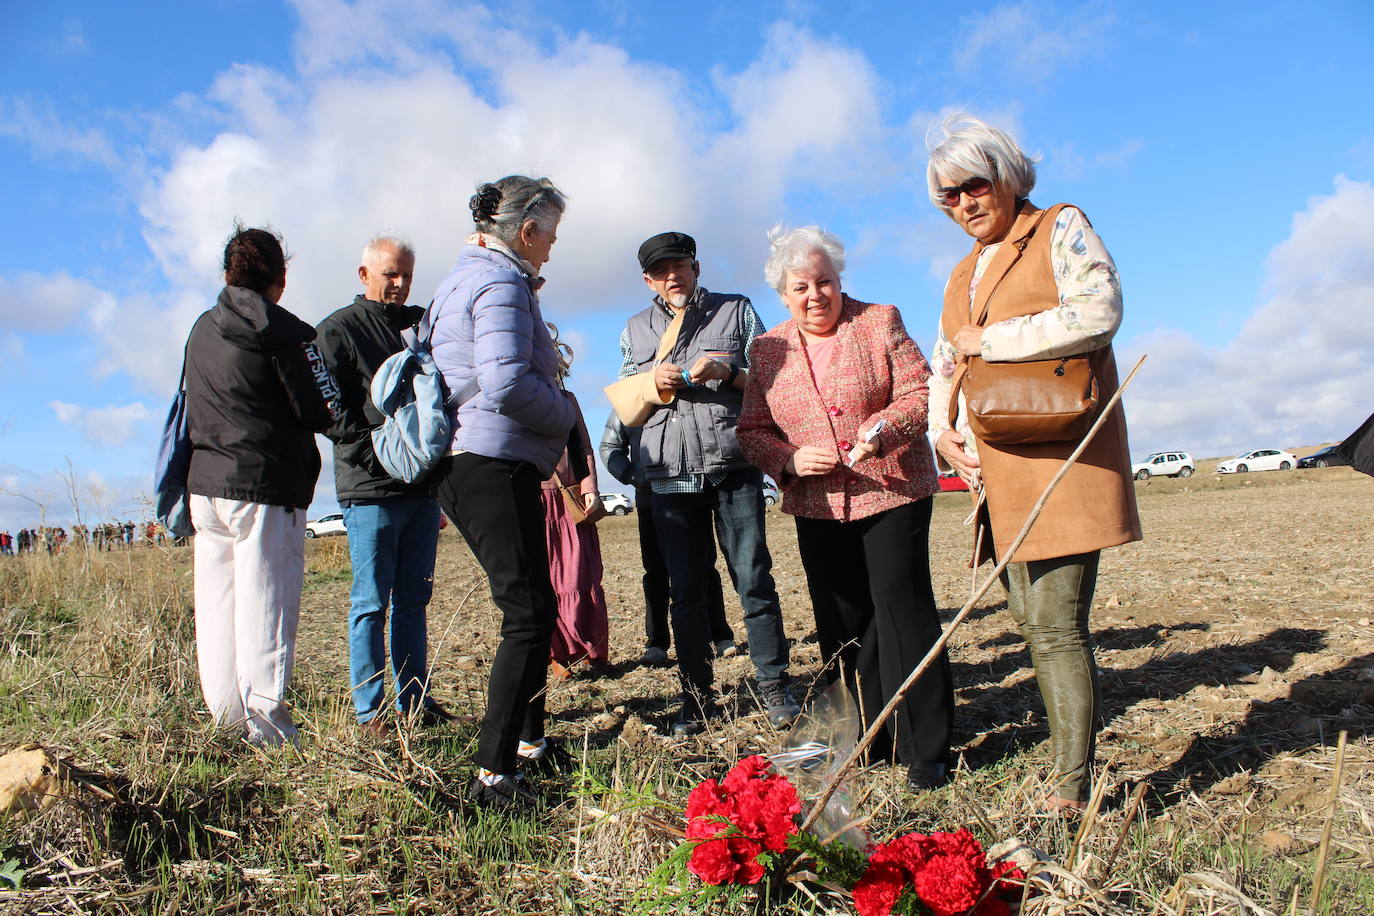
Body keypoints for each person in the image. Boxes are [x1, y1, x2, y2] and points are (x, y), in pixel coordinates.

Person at [925, 115, 1142, 812]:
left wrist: (993, 338)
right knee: (1030, 619)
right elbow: (944, 361)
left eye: (973, 185)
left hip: (1062, 458)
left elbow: (1098, 310)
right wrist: (940, 430)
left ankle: (1072, 789)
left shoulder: (1059, 226)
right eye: (947, 197)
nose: (963, 204)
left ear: (1007, 176)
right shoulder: (962, 271)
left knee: (1053, 624)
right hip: (997, 467)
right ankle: (1076, 765)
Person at [738, 225, 954, 790]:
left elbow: (919, 390)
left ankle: (925, 745)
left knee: (902, 610)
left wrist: (880, 432)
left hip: (892, 489)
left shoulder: (880, 320)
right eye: (801, 287)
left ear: (840, 281)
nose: (815, 296)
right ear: (782, 296)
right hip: (818, 504)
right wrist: (785, 459)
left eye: (825, 282)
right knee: (842, 623)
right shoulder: (767, 351)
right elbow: (751, 431)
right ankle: (864, 739)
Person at [428, 175, 577, 809]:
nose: (551, 248)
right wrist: (565, 412)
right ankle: (494, 774)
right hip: (490, 460)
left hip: (471, 464)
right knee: (529, 613)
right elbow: (508, 384)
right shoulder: (499, 283)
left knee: (533, 605)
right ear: (525, 231)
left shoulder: (457, 279)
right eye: (550, 235)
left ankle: (528, 744)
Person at [616, 231, 798, 737]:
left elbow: (775, 377)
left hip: (732, 469)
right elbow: (627, 397)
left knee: (754, 579)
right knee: (686, 591)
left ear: (696, 267)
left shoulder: (737, 311)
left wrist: (731, 371)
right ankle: (696, 698)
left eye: (679, 264)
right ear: (647, 280)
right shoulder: (634, 328)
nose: (671, 275)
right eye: (659, 270)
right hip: (670, 474)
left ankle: (774, 686)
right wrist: (653, 383)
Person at [183, 225, 342, 746]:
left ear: (228, 272)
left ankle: (225, 722)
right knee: (266, 609)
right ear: (281, 276)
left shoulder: (201, 330)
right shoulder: (286, 334)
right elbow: (323, 410)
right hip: (265, 488)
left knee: (218, 606)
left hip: (205, 487)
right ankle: (270, 734)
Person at [316, 234, 449, 734]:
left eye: (407, 275)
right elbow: (326, 407)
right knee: (370, 602)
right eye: (391, 273)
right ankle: (370, 710)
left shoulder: (421, 324)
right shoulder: (336, 330)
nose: (399, 284)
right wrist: (379, 431)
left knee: (413, 599)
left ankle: (415, 701)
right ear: (364, 274)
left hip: (421, 488)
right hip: (368, 488)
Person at [599, 413, 738, 668]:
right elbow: (609, 446)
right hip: (649, 497)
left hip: (692, 492)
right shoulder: (627, 399)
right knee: (655, 572)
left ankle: (719, 636)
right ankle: (656, 643)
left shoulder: (683, 391)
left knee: (705, 566)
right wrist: (632, 475)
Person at [539, 330, 610, 678]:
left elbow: (583, 448)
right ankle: (556, 654)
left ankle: (591, 651)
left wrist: (590, 488)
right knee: (544, 582)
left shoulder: (567, 399)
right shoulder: (511, 399)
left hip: (568, 500)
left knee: (579, 577)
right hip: (534, 501)